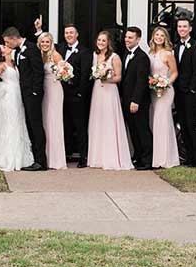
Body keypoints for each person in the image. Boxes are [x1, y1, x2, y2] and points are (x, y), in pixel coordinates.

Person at [35, 17, 92, 167]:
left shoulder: (85, 52)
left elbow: (85, 75)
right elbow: (45, 43)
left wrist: (81, 93)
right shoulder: (59, 48)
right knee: (62, 124)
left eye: (71, 33)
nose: (69, 35)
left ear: (77, 34)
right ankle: (64, 153)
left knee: (79, 126)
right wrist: (39, 30)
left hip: (75, 95)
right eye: (66, 33)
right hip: (58, 93)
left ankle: (83, 157)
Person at [0, 44, 35, 171]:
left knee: (18, 123)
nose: (6, 46)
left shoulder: (13, 63)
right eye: (3, 47)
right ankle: (9, 158)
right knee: (11, 124)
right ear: (2, 54)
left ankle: (19, 157)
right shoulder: (1, 66)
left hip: (17, 96)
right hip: (9, 98)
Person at [2, 27, 47, 171]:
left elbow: (38, 72)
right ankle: (34, 158)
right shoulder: (20, 50)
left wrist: (35, 92)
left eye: (8, 42)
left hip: (32, 95)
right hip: (24, 94)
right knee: (30, 125)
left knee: (36, 126)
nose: (7, 45)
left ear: (14, 38)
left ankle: (41, 161)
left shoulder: (31, 48)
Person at [87, 31, 132, 170]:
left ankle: (111, 157)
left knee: (109, 122)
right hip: (97, 92)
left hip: (109, 92)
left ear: (108, 43)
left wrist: (107, 78)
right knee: (98, 122)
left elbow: (118, 77)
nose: (100, 43)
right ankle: (98, 157)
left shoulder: (114, 57)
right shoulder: (95, 56)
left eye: (103, 40)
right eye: (99, 40)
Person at [174, 17, 196, 167]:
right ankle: (189, 157)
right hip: (178, 92)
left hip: (190, 92)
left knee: (193, 125)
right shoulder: (175, 46)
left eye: (185, 27)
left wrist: (193, 89)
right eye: (179, 27)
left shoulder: (195, 46)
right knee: (184, 125)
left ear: (190, 29)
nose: (182, 29)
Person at [121, 26, 152, 170]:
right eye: (126, 37)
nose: (127, 40)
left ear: (138, 39)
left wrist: (136, 101)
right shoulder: (125, 54)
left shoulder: (142, 57)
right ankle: (138, 157)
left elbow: (141, 81)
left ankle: (147, 160)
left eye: (130, 38)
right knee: (133, 130)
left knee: (142, 130)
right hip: (126, 100)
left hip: (137, 101)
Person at [148, 26, 179, 169]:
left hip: (165, 91)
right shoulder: (150, 53)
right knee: (154, 123)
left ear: (165, 38)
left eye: (162, 35)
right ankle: (157, 157)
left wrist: (165, 83)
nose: (159, 37)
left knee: (163, 122)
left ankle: (165, 159)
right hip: (154, 92)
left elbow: (174, 73)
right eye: (157, 35)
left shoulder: (168, 54)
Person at [37, 32, 66, 170]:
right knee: (45, 121)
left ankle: (56, 159)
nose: (44, 44)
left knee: (54, 122)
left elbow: (66, 70)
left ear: (51, 43)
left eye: (47, 42)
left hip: (54, 89)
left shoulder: (56, 55)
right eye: (42, 42)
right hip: (44, 90)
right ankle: (45, 157)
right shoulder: (40, 56)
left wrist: (60, 74)